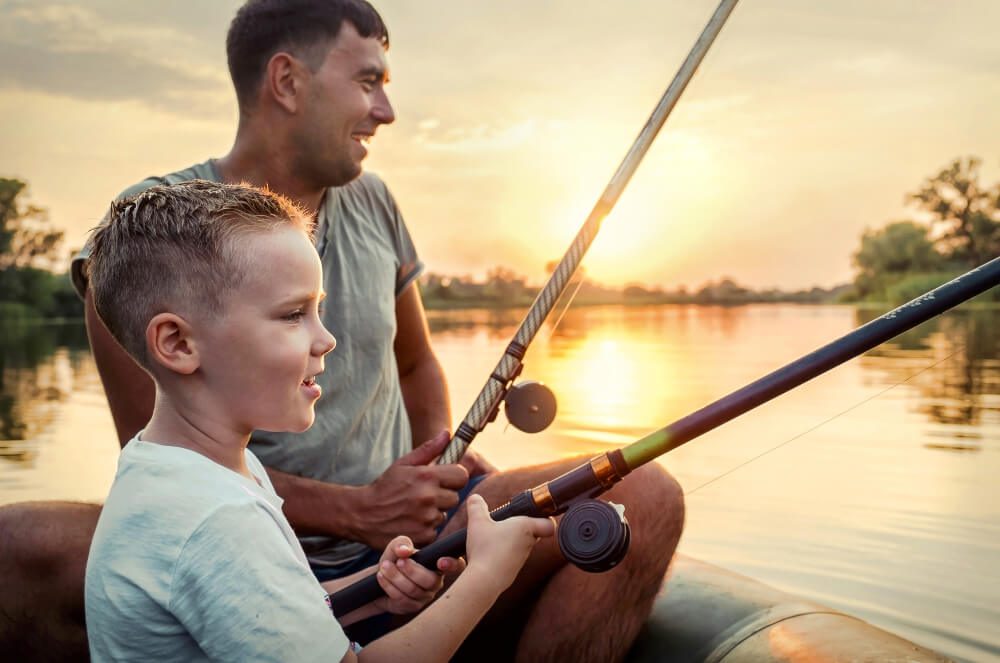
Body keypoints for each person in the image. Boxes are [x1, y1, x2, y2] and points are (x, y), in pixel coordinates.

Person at [0, 1, 685, 661]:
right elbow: (156, 444)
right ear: (288, 82)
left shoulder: (376, 199)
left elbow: (416, 367)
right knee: (16, 540)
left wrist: (436, 474)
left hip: (393, 537)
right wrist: (361, 512)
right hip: (282, 532)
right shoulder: (151, 234)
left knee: (644, 492)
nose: (386, 111)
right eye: (367, 82)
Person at [83, 179, 554, 662]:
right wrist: (486, 576)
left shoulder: (180, 468)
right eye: (292, 315)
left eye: (318, 310)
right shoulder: (216, 519)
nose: (326, 339)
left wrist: (375, 585)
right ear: (178, 344)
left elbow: (272, 607)